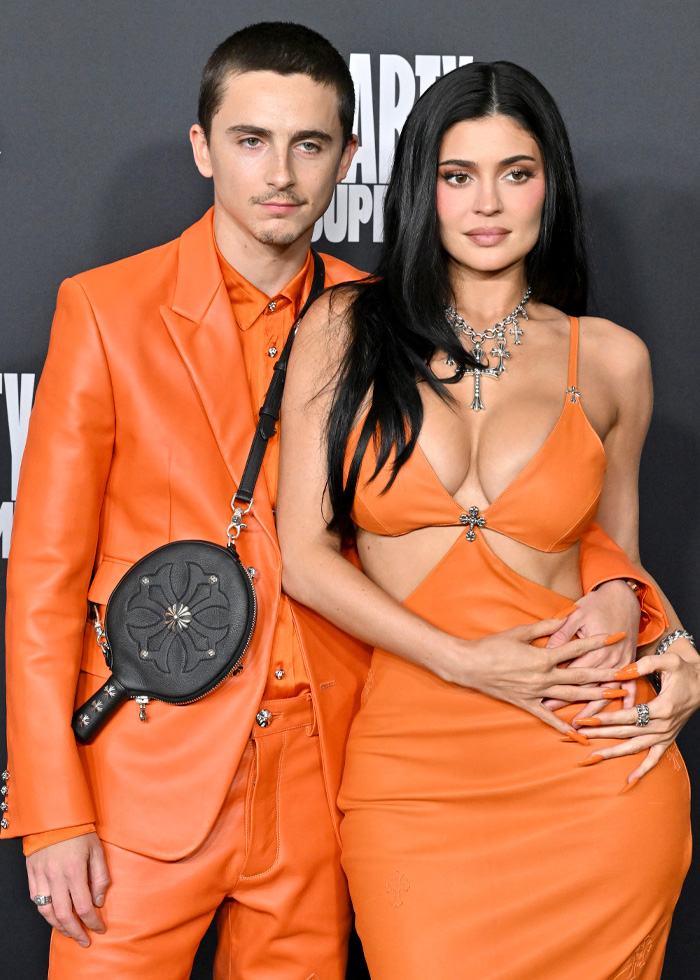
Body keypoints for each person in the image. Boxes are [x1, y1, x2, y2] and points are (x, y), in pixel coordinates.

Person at [0, 24, 669, 979]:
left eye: (309, 145)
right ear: (202, 148)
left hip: (325, 779)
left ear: (349, 159)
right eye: (251, 140)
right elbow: (44, 579)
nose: (281, 174)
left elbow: (547, 512)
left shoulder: (384, 319)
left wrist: (642, 612)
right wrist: (51, 812)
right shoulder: (108, 310)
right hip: (148, 781)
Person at [276, 61, 699, 979]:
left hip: (588, 767)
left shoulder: (611, 360)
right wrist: (463, 661)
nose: (488, 203)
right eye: (458, 175)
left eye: (517, 172)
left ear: (552, 184)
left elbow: (616, 558)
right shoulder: (344, 328)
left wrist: (671, 639)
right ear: (421, 187)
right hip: (415, 773)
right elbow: (302, 557)